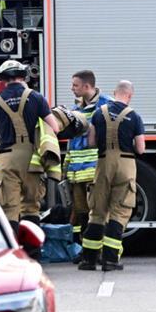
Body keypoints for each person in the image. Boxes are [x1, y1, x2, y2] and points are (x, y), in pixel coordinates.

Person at [78, 81, 145, 272]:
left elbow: (91, 142)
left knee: (97, 211)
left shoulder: (99, 113)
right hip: (125, 164)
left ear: (115, 93)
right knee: (120, 211)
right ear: (130, 95)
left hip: (103, 162)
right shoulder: (134, 116)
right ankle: (110, 260)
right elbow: (140, 149)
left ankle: (89, 260)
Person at [0, 60, 58, 235]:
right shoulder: (36, 97)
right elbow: (54, 128)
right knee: (31, 207)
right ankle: (32, 255)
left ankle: (13, 255)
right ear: (22, 76)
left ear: (3, 79)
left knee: (9, 208)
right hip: (31, 159)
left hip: (7, 158)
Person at [64, 70, 111, 246]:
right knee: (81, 211)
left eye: (75, 85)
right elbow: (72, 143)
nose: (72, 89)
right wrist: (66, 168)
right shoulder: (75, 109)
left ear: (87, 86)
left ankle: (98, 249)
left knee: (98, 211)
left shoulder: (107, 105)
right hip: (77, 171)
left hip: (95, 169)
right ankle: (86, 249)